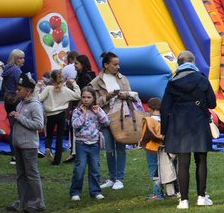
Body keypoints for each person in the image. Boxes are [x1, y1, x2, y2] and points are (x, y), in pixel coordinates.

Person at [161, 51, 217, 209]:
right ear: (193, 61)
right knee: (201, 160)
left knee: (183, 163)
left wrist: (164, 130)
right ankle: (201, 197)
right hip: (198, 122)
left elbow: (165, 107)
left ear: (178, 63)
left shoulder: (172, 81)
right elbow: (212, 103)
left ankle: (183, 200)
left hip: (179, 124)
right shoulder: (201, 78)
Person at [88, 51, 136, 190]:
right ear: (106, 65)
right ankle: (112, 177)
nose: (118, 67)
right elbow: (92, 101)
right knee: (109, 149)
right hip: (105, 119)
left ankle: (119, 178)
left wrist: (125, 95)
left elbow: (132, 95)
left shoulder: (123, 79)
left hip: (121, 118)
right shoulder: (96, 82)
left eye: (118, 64)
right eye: (115, 64)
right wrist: (107, 97)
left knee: (120, 148)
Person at [8, 73, 46, 213]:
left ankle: (37, 203)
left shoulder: (35, 106)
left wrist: (20, 118)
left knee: (31, 175)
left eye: (20, 89)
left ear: (28, 91)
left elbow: (39, 124)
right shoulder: (20, 104)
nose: (17, 91)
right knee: (21, 175)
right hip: (19, 144)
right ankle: (23, 201)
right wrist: (14, 118)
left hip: (29, 145)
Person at [69, 88, 110, 201]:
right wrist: (83, 114)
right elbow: (75, 125)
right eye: (84, 97)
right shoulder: (77, 111)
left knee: (95, 169)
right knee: (79, 169)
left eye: (89, 97)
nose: (86, 100)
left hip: (94, 144)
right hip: (81, 143)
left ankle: (95, 191)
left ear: (93, 98)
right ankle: (75, 192)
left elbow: (106, 122)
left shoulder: (97, 109)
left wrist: (98, 114)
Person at [40, 70, 79, 165]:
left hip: (50, 115)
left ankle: (48, 147)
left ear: (51, 79)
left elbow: (39, 98)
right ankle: (57, 160)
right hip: (61, 114)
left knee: (49, 134)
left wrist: (38, 87)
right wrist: (75, 85)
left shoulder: (48, 89)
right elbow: (77, 96)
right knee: (59, 137)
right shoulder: (65, 90)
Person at [138, 97, 166, 200]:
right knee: (164, 169)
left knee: (154, 170)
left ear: (149, 108)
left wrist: (141, 144)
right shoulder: (166, 119)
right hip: (164, 147)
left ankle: (157, 194)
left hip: (152, 148)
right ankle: (170, 191)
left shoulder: (149, 120)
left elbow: (145, 135)